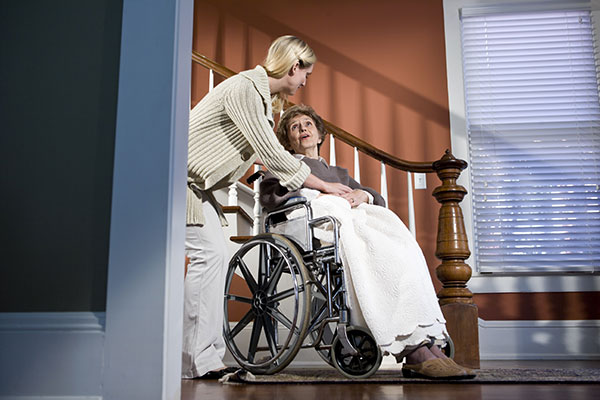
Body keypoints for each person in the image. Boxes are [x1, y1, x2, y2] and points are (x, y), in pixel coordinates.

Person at [260, 104, 476, 380]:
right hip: (319, 225)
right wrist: (317, 192)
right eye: (294, 127)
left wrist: (364, 196)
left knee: (400, 249)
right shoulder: (286, 163)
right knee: (367, 247)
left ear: (319, 134)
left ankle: (424, 337)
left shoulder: (338, 172)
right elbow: (270, 198)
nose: (302, 129)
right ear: (287, 140)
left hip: (351, 220)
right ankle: (414, 349)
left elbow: (370, 193)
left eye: (307, 125)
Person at [183, 36, 354, 380]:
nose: (305, 81)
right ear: (294, 68)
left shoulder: (259, 100)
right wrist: (321, 184)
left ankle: (206, 358)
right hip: (177, 179)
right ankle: (196, 361)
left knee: (216, 258)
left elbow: (255, 147)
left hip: (199, 188)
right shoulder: (245, 88)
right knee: (210, 256)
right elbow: (272, 151)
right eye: (306, 74)